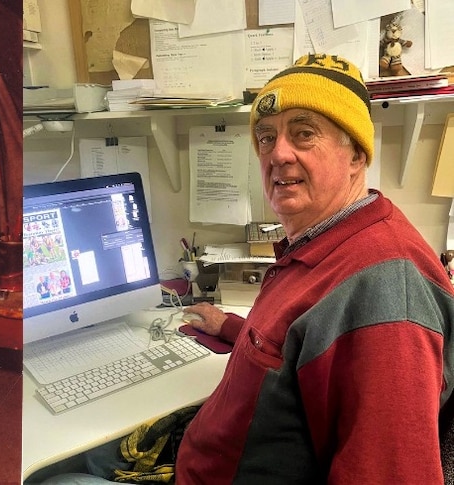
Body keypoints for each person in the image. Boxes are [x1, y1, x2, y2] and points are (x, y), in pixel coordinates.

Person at [45, 53, 454, 484]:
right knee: (97, 457)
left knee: (57, 479)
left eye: (303, 133)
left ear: (355, 153)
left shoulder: (386, 296)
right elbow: (300, 355)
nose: (277, 154)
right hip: (201, 464)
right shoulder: (324, 244)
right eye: (265, 137)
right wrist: (231, 329)